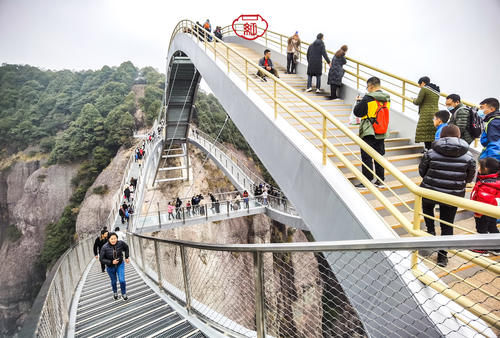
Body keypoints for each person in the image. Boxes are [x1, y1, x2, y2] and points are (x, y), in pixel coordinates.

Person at [419, 125, 476, 267]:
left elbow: (422, 171)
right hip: (453, 195)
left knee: (428, 214)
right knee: (447, 225)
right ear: (458, 137)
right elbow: (469, 178)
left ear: (442, 136)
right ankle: (442, 256)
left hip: (429, 190)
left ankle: (430, 235)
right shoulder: (468, 156)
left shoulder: (431, 152)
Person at [353, 77, 391, 188]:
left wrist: (358, 101)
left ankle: (367, 180)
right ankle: (380, 180)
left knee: (366, 156)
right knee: (379, 156)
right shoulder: (387, 98)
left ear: (371, 86)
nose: (367, 89)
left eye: (367, 87)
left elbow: (357, 112)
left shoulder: (368, 98)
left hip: (369, 130)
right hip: (382, 129)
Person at [470, 157, 500, 239]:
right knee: (492, 228)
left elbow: (484, 200)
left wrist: (478, 214)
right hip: (491, 212)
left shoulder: (486, 184)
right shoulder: (491, 181)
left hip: (482, 213)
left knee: (481, 229)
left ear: (486, 169)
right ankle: (496, 247)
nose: (478, 168)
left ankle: (481, 248)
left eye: (480, 166)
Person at [100, 232, 130, 300]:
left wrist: (127, 257)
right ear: (108, 239)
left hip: (120, 264)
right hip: (110, 267)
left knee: (122, 280)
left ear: (117, 238)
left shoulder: (121, 243)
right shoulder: (104, 247)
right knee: (114, 281)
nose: (113, 240)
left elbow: (126, 247)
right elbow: (101, 259)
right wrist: (111, 262)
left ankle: (123, 293)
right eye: (112, 239)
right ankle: (115, 292)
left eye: (115, 238)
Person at [413, 76, 440, 150]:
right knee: (432, 132)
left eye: (419, 84)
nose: (419, 86)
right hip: (435, 113)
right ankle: (432, 149)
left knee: (425, 132)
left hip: (426, 114)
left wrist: (413, 100)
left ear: (422, 83)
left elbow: (418, 101)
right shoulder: (436, 91)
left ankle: (427, 149)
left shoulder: (424, 89)